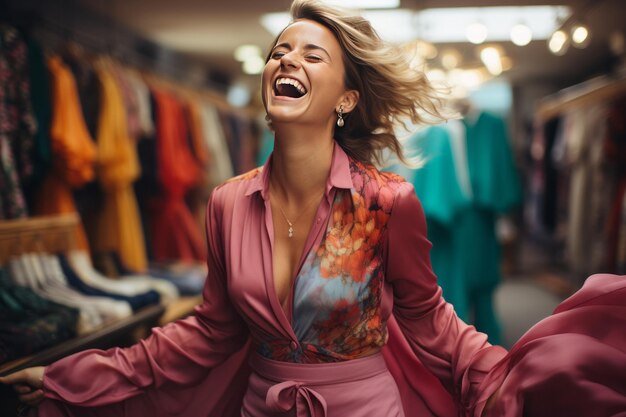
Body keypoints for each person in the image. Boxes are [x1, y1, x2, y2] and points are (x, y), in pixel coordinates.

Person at [2, 1, 625, 416]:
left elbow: (430, 321)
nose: (286, 61)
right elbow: (207, 332)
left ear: (346, 97)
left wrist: (502, 378)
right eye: (279, 50)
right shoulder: (226, 202)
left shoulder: (388, 201)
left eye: (310, 54)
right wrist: (72, 376)